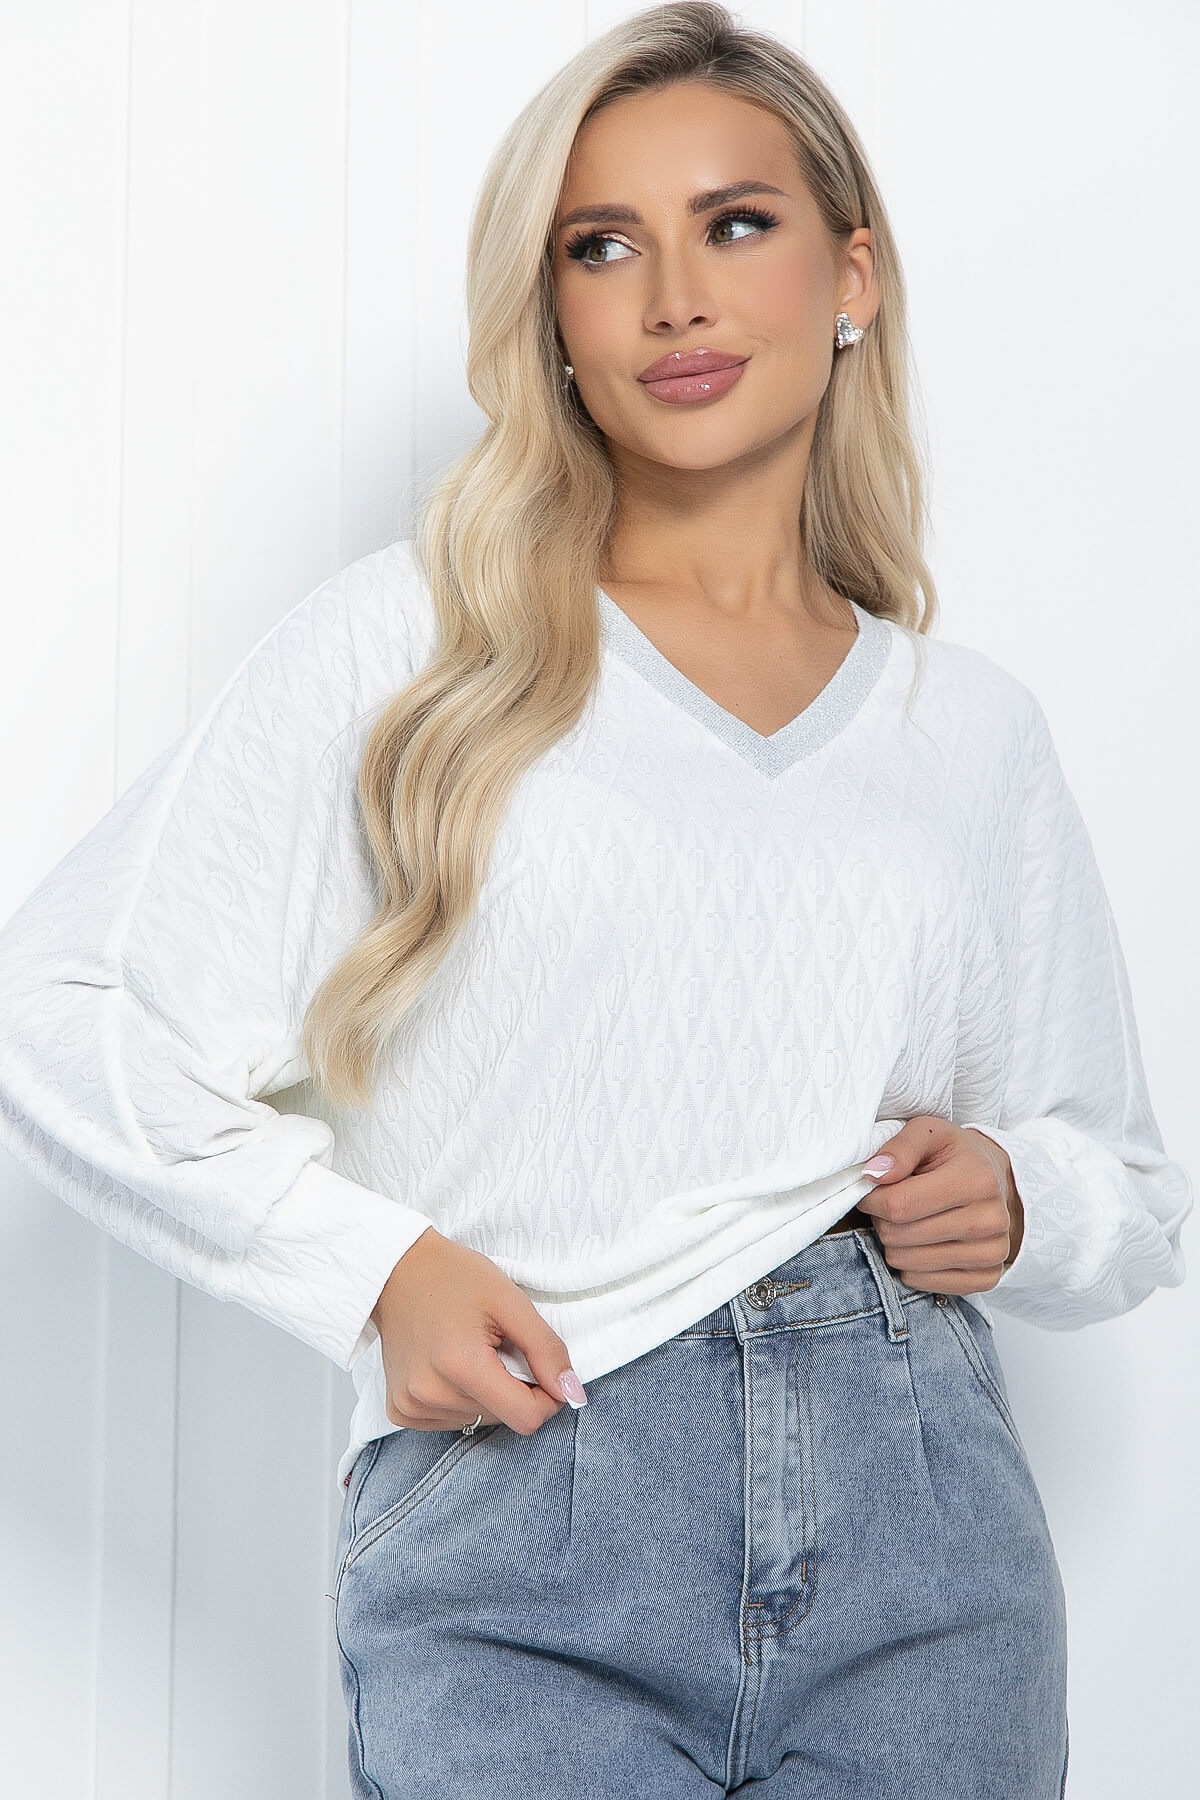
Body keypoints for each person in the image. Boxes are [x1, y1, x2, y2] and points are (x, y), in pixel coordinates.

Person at [0, 4, 1190, 1796]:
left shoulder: (969, 731)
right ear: (550, 315)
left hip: (927, 1546)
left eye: (737, 224)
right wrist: (373, 1269)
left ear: (852, 274)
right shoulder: (412, 650)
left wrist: (1025, 1200)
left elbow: (1128, 1195)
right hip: (529, 1512)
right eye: (603, 247)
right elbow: (66, 1006)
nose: (675, 300)